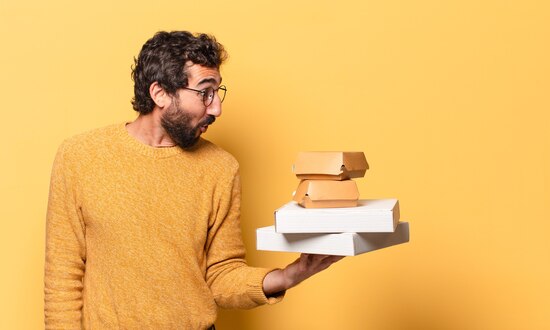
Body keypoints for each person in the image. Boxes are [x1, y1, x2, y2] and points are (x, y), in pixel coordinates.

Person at [44, 30, 343, 329]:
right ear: (160, 93)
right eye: (205, 92)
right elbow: (62, 276)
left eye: (218, 92)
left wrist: (292, 273)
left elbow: (222, 275)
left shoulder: (220, 168)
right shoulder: (80, 157)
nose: (216, 108)